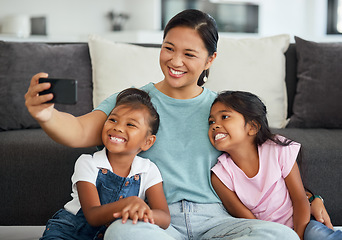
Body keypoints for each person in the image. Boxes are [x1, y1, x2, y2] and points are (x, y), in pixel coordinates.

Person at [25, 9, 332, 240]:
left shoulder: (223, 110)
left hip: (219, 221)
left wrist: (311, 197)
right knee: (121, 232)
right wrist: (45, 115)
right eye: (169, 48)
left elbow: (266, 159)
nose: (175, 61)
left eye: (189, 54)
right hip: (160, 220)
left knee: (283, 237)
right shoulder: (132, 102)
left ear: (210, 60)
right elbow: (79, 131)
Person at [209, 90, 342, 240]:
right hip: (267, 234)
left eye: (224, 117)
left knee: (317, 234)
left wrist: (297, 236)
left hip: (301, 224)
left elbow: (299, 199)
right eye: (211, 122)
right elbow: (249, 223)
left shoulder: (277, 149)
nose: (215, 126)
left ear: (252, 127)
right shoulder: (220, 176)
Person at [40, 88, 171, 240]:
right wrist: (129, 203)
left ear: (147, 142)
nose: (117, 127)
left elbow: (164, 218)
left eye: (130, 124)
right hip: (70, 232)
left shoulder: (148, 169)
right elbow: (93, 216)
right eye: (113, 120)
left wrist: (144, 213)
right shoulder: (88, 163)